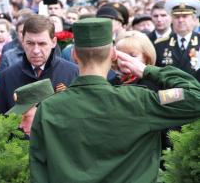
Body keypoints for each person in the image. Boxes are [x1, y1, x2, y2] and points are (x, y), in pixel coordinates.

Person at [30, 17, 200, 183]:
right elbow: (194, 96)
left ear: (74, 55)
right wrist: (147, 70)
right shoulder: (139, 100)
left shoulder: (49, 108)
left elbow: (39, 170)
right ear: (113, 54)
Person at [0, 15, 78, 114]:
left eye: (42, 44)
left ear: (53, 42)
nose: (36, 51)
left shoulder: (73, 73)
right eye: (30, 43)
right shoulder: (7, 77)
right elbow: (2, 119)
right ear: (23, 41)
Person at [154, 0, 200, 81]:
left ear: (194, 19)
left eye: (185, 16)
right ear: (172, 20)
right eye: (177, 17)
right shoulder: (160, 45)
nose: (180, 20)